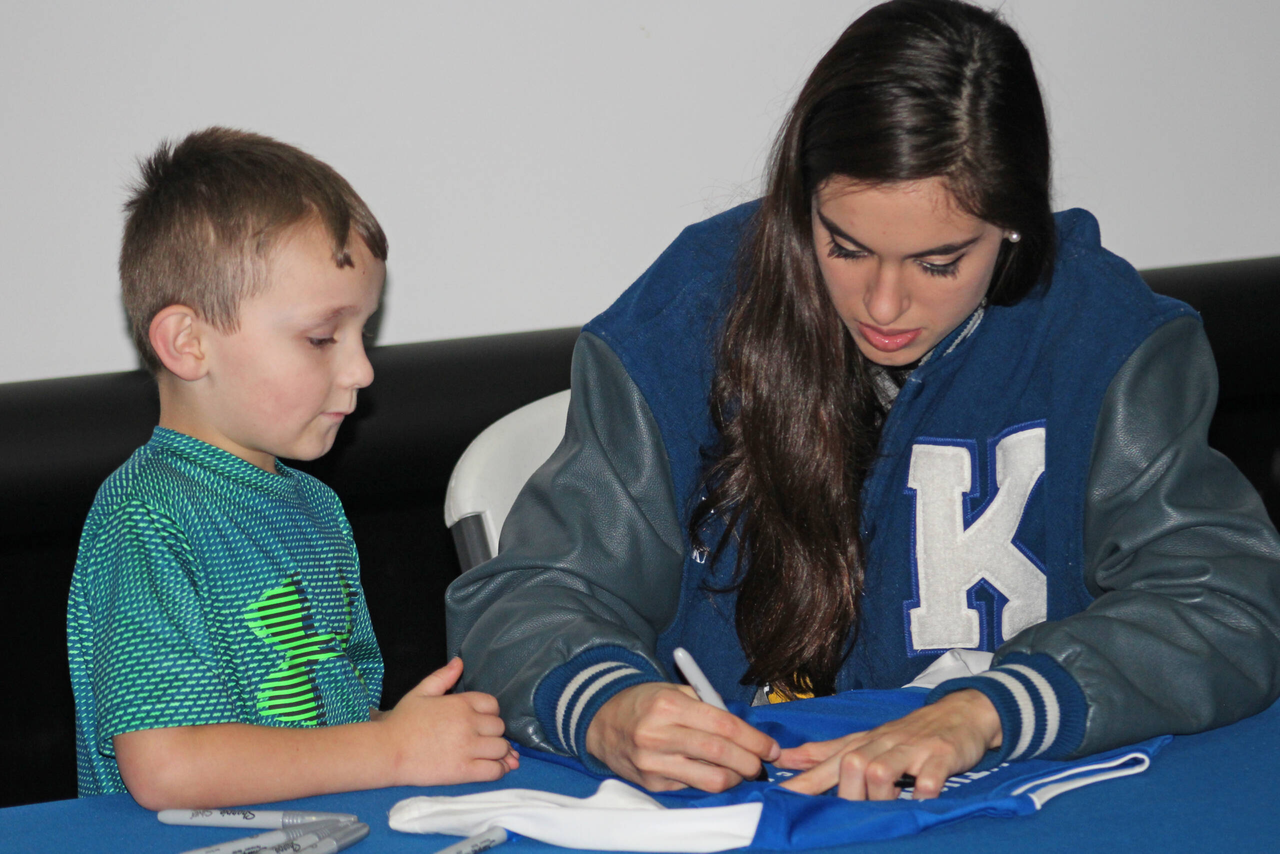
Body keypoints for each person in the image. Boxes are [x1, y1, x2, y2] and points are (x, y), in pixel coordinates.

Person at [446, 0, 1280, 802]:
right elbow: (529, 597)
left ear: (1016, 232)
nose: (883, 306)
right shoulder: (683, 323)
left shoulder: (1105, 340)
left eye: (939, 263)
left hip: (1018, 802)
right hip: (753, 813)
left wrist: (992, 709)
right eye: (843, 246)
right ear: (799, 203)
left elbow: (1226, 601)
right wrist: (605, 707)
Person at [67, 128, 517, 809]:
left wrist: (409, 732)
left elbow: (318, 729)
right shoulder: (148, 515)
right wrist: (391, 748)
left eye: (363, 332)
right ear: (188, 343)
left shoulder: (314, 507)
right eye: (321, 337)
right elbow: (167, 768)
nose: (362, 369)